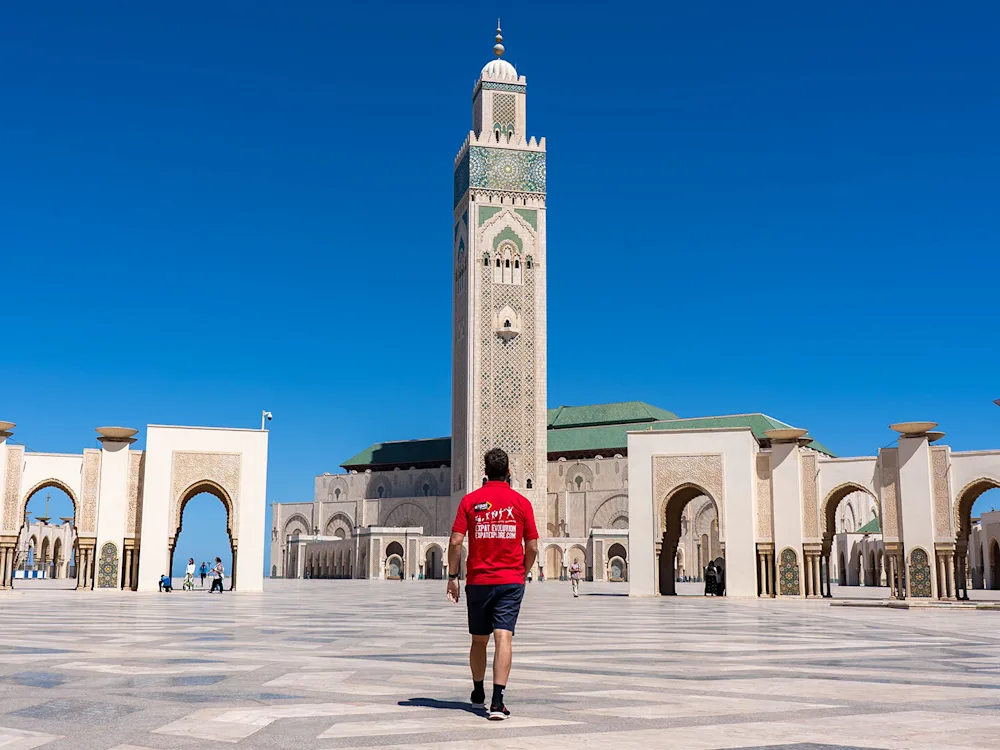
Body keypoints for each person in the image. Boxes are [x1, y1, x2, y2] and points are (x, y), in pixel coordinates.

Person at [447, 447, 538, 721]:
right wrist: (524, 571)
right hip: (511, 580)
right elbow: (532, 546)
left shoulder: (470, 501)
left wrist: (452, 577)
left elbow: (455, 542)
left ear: (484, 473)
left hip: (478, 581)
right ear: (509, 473)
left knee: (478, 640)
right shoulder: (522, 503)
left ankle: (478, 693)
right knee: (504, 637)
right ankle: (497, 703)